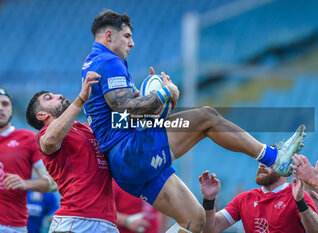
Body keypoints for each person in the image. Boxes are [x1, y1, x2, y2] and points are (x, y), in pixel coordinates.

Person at [81, 9, 306, 233]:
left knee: (194, 218)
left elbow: (123, 118)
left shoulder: (95, 63)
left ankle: (275, 158)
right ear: (109, 36)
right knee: (207, 117)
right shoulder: (109, 61)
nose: (132, 43)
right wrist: (163, 93)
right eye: (127, 36)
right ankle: (275, 158)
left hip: (126, 162)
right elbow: (125, 109)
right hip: (131, 151)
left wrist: (166, 100)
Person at [25, 72, 118, 233]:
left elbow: (122, 126)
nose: (59, 95)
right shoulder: (44, 135)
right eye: (49, 98)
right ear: (42, 115)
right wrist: (81, 99)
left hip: (107, 222)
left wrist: (145, 101)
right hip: (75, 221)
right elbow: (52, 139)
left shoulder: (87, 129)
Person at [0, 86, 57, 233]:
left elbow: (52, 182)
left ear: (11, 109)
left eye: (5, 104)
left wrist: (25, 183)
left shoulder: (28, 139)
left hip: (18, 224)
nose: (0, 108)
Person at [198, 165, 318, 233]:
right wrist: (209, 199)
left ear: (285, 168)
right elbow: (211, 229)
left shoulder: (298, 196)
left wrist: (300, 202)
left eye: (269, 161)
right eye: (261, 160)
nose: (262, 164)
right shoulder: (244, 199)